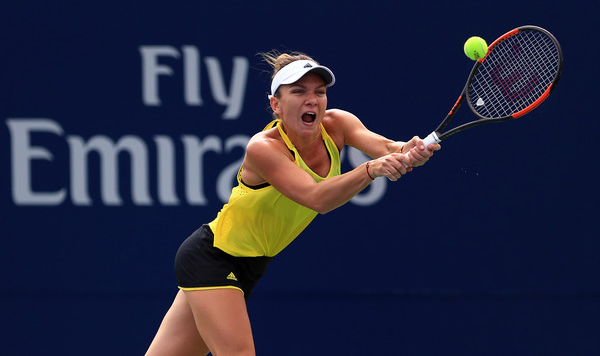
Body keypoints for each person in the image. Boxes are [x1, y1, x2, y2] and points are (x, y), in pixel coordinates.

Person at [146, 51, 441, 356]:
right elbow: (317, 198)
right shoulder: (263, 148)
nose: (312, 100)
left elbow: (388, 147)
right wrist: (370, 169)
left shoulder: (338, 123)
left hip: (249, 266)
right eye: (298, 92)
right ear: (276, 104)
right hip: (212, 258)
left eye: (319, 92)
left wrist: (410, 151)